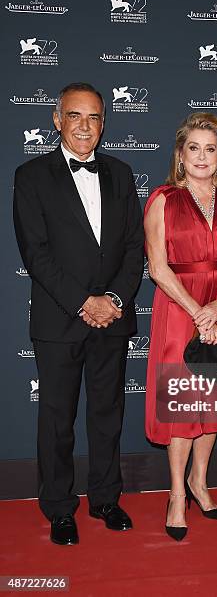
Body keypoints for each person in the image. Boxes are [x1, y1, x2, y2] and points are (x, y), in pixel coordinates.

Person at [13, 82, 144, 545]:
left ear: (103, 122)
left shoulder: (122, 173)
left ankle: (106, 499)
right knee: (56, 418)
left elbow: (134, 248)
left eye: (93, 117)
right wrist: (83, 301)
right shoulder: (31, 176)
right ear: (57, 118)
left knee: (107, 413)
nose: (85, 126)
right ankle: (59, 507)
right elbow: (36, 252)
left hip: (113, 315)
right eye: (75, 116)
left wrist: (115, 300)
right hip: (59, 319)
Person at [144, 112, 217, 540]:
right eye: (194, 147)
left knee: (216, 401)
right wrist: (198, 311)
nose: (202, 156)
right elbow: (158, 267)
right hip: (180, 308)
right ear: (180, 153)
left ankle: (200, 482)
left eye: (211, 148)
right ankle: (176, 495)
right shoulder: (162, 201)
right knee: (182, 403)